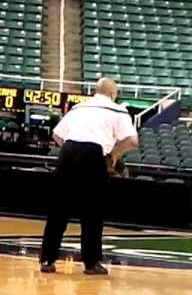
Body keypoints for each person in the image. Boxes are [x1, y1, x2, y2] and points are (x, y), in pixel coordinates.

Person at [39, 78, 138, 275]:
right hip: (93, 154)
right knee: (92, 212)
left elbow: (57, 135)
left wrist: (71, 151)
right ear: (112, 94)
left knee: (58, 209)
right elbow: (133, 140)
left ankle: (47, 259)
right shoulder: (117, 109)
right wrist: (114, 155)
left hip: (68, 151)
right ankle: (91, 263)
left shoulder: (79, 108)